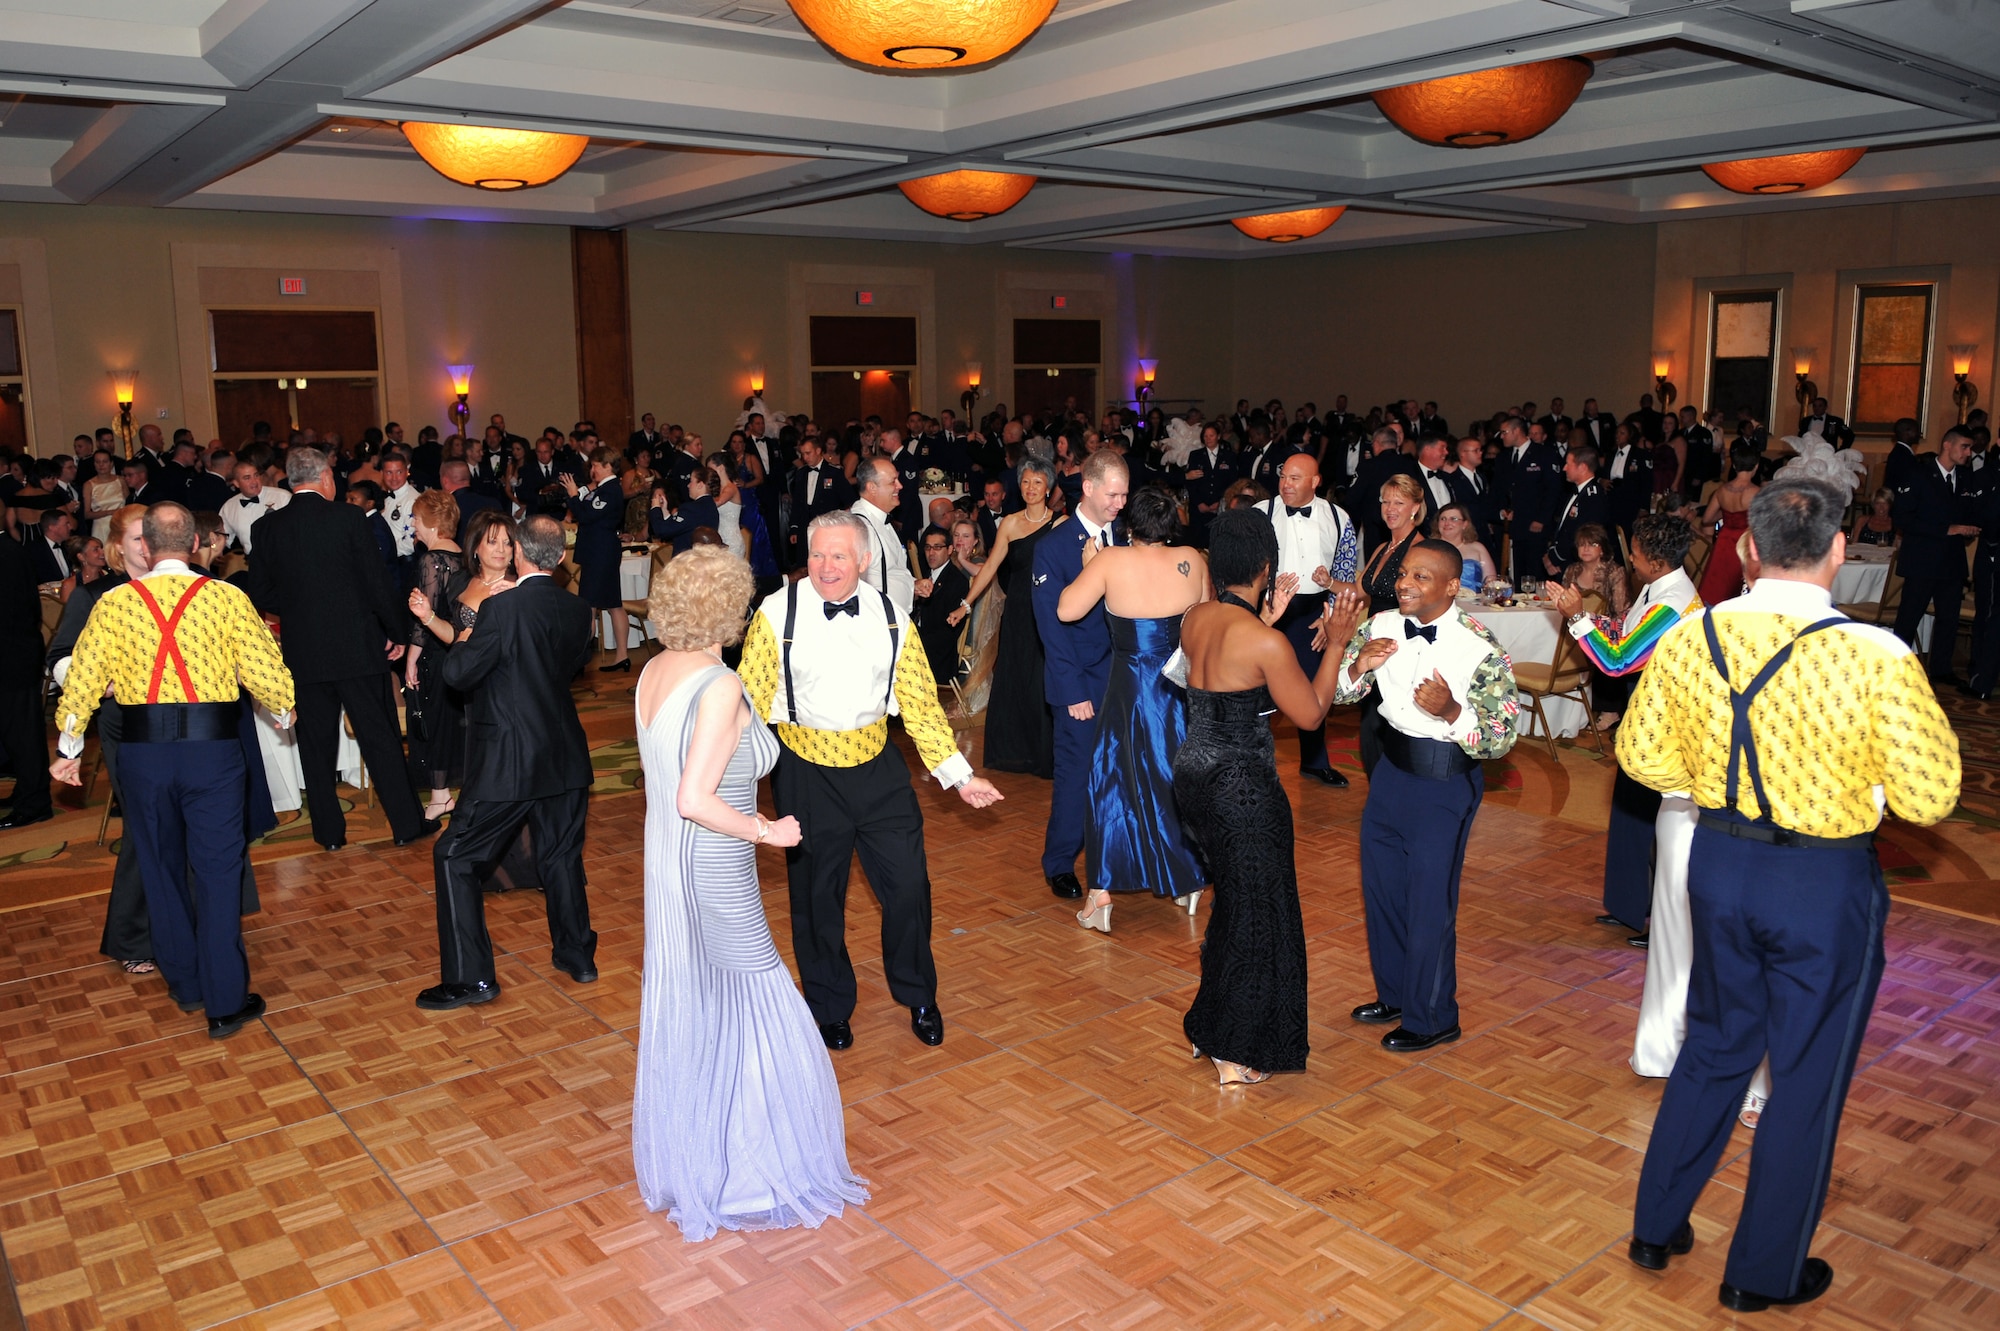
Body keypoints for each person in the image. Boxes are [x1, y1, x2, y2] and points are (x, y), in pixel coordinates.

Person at [1618, 477, 1960, 1313]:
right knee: (1803, 1074)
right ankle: (1761, 1272)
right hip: (1820, 878)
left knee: (1714, 1046)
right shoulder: (1877, 653)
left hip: (1719, 861)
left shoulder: (1691, 634)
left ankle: (1655, 1227)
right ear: (1841, 551)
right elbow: (1931, 795)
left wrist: (1718, 778)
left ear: (1746, 546)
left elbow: (1642, 760)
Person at [630, 543, 869, 1240]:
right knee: (762, 1004)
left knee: (705, 1005)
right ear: (729, 608)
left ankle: (709, 1158)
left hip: (669, 864)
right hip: (710, 861)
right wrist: (769, 831)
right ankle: (750, 1172)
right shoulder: (718, 684)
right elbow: (694, 796)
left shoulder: (654, 670)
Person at [737, 512, 1004, 1052]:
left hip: (879, 768)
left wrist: (959, 776)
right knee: (817, 899)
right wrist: (728, 787)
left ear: (863, 561)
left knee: (908, 887)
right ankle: (829, 1005)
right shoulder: (776, 613)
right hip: (805, 770)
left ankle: (918, 993)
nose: (826, 566)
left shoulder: (890, 616)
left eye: (839, 556)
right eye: (816, 554)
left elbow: (921, 706)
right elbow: (746, 702)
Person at [50, 503, 294, 1037]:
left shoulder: (114, 603)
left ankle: (185, 984)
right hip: (212, 753)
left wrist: (69, 747)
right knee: (217, 871)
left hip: (143, 754)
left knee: (160, 869)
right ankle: (226, 1001)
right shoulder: (226, 597)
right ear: (195, 545)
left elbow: (84, 679)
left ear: (147, 546)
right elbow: (265, 669)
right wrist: (283, 707)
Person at [1175, 510, 1359, 1085]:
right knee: (1261, 915)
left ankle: (1213, 1027)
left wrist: (1263, 618)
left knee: (1233, 902)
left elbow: (1209, 676)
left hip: (1193, 774)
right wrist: (1336, 644)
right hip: (1242, 788)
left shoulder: (1194, 617)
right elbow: (1310, 714)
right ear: (1265, 566)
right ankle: (1237, 1052)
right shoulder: (1267, 642)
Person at [1335, 539, 1519, 1053]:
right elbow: (1338, 693)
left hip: (1443, 783)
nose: (1404, 584)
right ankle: (1396, 996)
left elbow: (1501, 739)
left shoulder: (1481, 649)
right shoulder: (1381, 625)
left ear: (1451, 586)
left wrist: (1454, 711)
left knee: (1429, 904)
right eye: (1404, 574)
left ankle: (1434, 1015)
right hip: (1389, 772)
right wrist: (1357, 668)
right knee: (1384, 890)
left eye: (1419, 576)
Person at [421, 515, 598, 1009]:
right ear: (560, 558)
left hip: (509, 759)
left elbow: (457, 674)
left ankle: (472, 979)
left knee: (453, 857)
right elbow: (568, 667)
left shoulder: (500, 607)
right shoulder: (578, 607)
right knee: (560, 857)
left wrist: (467, 624)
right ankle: (578, 956)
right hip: (564, 752)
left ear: (519, 551)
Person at [246, 447, 433, 852]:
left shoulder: (267, 528)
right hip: (357, 646)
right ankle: (405, 824)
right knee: (379, 737)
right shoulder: (349, 518)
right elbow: (375, 582)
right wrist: (396, 630)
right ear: (325, 478)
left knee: (315, 746)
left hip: (304, 652)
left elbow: (258, 591)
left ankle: (329, 835)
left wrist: (298, 607)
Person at [1056, 483, 1208, 929]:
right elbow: (1203, 617)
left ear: (1129, 524)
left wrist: (1090, 568)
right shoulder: (1193, 560)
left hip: (1129, 691)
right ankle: (1190, 879)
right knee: (1174, 780)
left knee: (1110, 781)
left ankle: (1100, 894)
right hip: (1179, 689)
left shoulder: (1110, 559)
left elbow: (1066, 610)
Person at [1554, 513, 1701, 941]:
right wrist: (1588, 618)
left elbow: (1618, 661)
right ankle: (1630, 906)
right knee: (1631, 815)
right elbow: (1624, 632)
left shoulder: (1673, 604)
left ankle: (1660, 919)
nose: (1630, 558)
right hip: (1647, 716)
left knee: (1659, 824)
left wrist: (1579, 618)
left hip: (1667, 725)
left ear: (1654, 560)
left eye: (1635, 552)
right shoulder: (1658, 588)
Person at [1028, 450, 1132, 906]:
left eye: (1125, 494)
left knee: (1119, 775)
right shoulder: (1053, 546)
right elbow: (1052, 629)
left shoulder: (1126, 539)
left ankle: (1115, 858)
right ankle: (1060, 862)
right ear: (1087, 488)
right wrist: (1071, 692)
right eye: (1113, 493)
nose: (1119, 503)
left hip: (1123, 678)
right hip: (1080, 684)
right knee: (1075, 776)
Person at [1255, 453, 1359, 788]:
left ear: (1316, 482)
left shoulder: (1338, 517)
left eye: (1295, 478)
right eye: (1283, 476)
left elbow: (1343, 572)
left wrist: (1329, 617)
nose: (1285, 483)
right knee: (1260, 689)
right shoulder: (1260, 514)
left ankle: (1314, 762)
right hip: (1270, 611)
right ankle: (1258, 764)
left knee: (1314, 689)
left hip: (1316, 613)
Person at [954, 456, 1059, 777]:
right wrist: (966, 604)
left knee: (1043, 678)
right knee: (1015, 676)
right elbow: (989, 569)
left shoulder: (1062, 523)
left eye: (1037, 482)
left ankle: (1046, 754)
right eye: (1025, 481)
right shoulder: (1010, 523)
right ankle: (1015, 751)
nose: (1030, 488)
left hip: (1050, 610)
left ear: (1048, 488)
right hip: (1017, 611)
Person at [1891, 425, 1979, 685]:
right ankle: (1897, 667)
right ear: (1947, 445)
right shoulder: (1918, 475)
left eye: (1970, 447)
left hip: (1952, 562)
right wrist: (1947, 529)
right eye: (1964, 446)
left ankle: (1941, 669)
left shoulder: (1964, 479)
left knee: (1948, 619)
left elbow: (1963, 516)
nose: (1968, 452)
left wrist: (1968, 530)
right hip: (1922, 559)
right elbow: (1902, 518)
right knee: (1909, 617)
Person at [1355, 473, 1427, 774]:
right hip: (1375, 642)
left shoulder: (1421, 550)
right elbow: (1358, 591)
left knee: (1383, 723)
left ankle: (1393, 790)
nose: (1389, 508)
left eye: (1398, 502)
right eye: (1385, 501)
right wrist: (1327, 585)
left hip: (1401, 643)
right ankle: (1382, 792)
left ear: (1415, 507)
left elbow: (1425, 602)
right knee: (1371, 722)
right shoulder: (1383, 548)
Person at [403, 490, 467, 821]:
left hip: (436, 651)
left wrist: (411, 658)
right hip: (460, 650)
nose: (413, 524)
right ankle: (448, 795)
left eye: (416, 518)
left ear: (431, 522)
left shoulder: (432, 560)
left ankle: (440, 796)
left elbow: (423, 617)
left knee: (435, 722)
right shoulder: (464, 555)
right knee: (454, 723)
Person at [563, 446, 630, 673]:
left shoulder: (610, 490)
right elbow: (587, 509)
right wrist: (579, 495)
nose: (592, 469)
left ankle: (581, 660)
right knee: (612, 604)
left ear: (607, 466)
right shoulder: (604, 489)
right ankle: (621, 655)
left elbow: (586, 514)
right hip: (601, 552)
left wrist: (574, 495)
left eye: (595, 465)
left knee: (589, 605)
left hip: (599, 553)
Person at [1696, 442, 1762, 606]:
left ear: (1733, 465)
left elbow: (1707, 519)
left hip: (1724, 542)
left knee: (1717, 589)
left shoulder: (1722, 490)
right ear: (1756, 466)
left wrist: (1726, 514)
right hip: (1746, 544)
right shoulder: (1757, 493)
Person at [849, 456, 915, 612]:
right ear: (872, 487)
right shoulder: (861, 528)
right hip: (879, 622)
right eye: (893, 481)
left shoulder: (882, 520)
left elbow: (886, 570)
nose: (900, 486)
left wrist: (912, 584)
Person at [910, 525, 969, 689]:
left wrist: (914, 643)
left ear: (950, 549)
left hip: (937, 654)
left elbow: (947, 632)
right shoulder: (929, 574)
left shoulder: (957, 581)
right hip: (923, 640)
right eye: (928, 547)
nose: (931, 553)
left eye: (937, 547)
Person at [1541, 447, 1611, 578]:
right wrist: (1550, 554)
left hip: (1577, 567)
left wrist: (1554, 558)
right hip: (1563, 563)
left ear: (1583, 467)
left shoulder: (1593, 498)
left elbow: (1584, 536)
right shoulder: (1577, 493)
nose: (1564, 468)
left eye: (1568, 464)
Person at [1435, 503, 1495, 591]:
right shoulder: (1429, 548)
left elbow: (1491, 582)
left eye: (1453, 519)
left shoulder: (1478, 548)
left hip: (1474, 602)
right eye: (1443, 519)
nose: (1447, 523)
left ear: (1465, 524)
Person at [82, 449, 126, 543]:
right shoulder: (89, 485)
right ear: (94, 464)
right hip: (101, 527)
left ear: (111, 463)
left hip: (120, 524)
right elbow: (87, 514)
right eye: (98, 462)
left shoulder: (121, 481)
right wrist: (109, 512)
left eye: (105, 462)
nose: (101, 465)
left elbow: (129, 504)